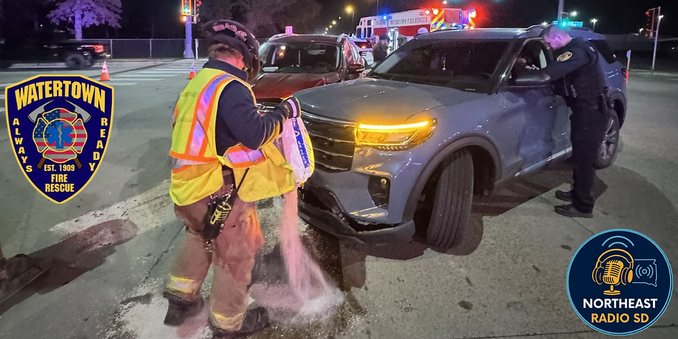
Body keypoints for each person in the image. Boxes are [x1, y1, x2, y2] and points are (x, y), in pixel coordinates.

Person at [165, 19, 299, 338]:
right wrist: (284, 114)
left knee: (199, 237)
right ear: (243, 57)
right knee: (235, 255)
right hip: (217, 191)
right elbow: (254, 134)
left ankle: (180, 298)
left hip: (187, 187)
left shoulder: (199, 82)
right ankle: (229, 324)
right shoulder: (230, 86)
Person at [530, 25, 609, 218]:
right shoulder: (579, 48)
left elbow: (551, 73)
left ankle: (583, 206)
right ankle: (577, 193)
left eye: (548, 43)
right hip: (586, 111)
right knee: (580, 157)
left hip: (590, 113)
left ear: (557, 37)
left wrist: (528, 74)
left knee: (584, 160)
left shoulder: (576, 52)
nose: (549, 47)